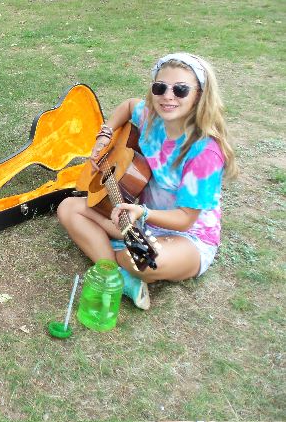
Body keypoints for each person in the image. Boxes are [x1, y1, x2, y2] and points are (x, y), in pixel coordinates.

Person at [57, 53, 237, 310]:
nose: (168, 96)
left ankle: (116, 261)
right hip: (140, 221)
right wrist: (104, 138)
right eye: (160, 87)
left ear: (200, 95)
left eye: (181, 90)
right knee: (68, 208)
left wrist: (142, 212)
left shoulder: (204, 152)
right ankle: (121, 278)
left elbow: (185, 219)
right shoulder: (151, 118)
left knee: (144, 259)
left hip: (188, 237)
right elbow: (129, 106)